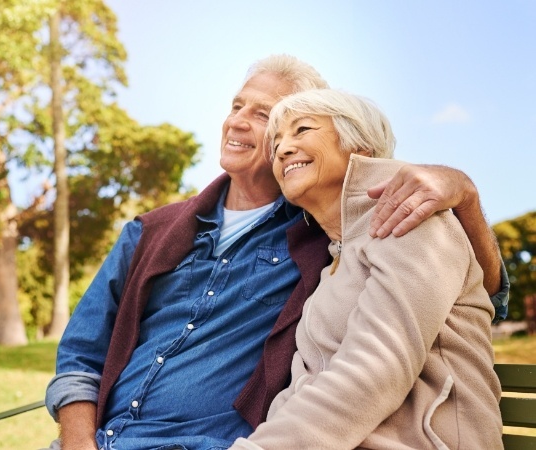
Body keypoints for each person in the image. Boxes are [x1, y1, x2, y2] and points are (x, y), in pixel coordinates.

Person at [44, 55, 508, 450]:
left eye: (273, 118)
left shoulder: (337, 235)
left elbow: (479, 298)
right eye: (236, 106)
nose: (242, 123)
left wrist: (464, 193)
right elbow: (81, 355)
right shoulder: (153, 231)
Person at [229, 89, 503, 450]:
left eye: (303, 129)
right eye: (277, 142)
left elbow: (377, 368)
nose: (282, 149)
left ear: (360, 146)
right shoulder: (330, 264)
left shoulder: (409, 216)